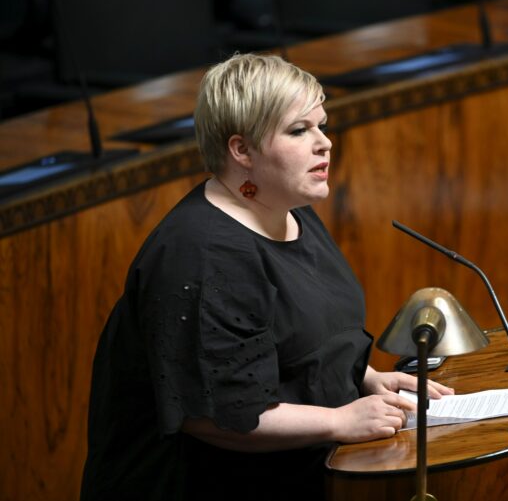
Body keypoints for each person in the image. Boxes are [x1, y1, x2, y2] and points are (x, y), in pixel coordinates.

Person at [79, 53, 452, 500]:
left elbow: (296, 339)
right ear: (242, 150)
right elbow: (218, 414)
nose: (324, 143)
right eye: (299, 130)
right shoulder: (203, 256)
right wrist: (339, 419)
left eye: (321, 125)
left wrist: (362, 377)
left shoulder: (285, 208)